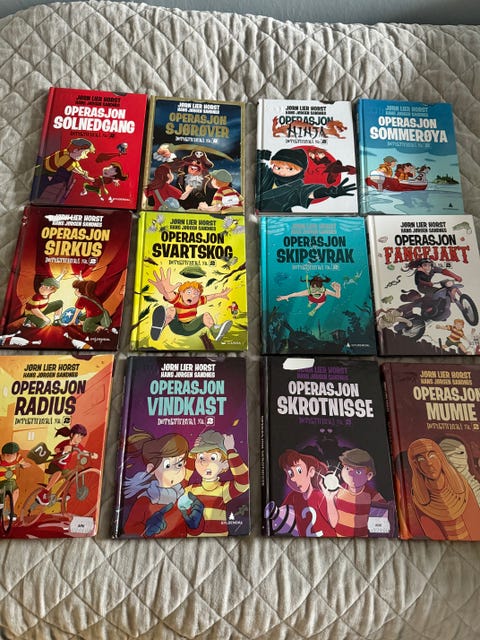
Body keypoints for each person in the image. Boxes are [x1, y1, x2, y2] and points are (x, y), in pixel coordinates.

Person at [123, 431, 204, 537]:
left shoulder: (183, 494)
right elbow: (129, 531)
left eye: (179, 465)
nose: (176, 471)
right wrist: (147, 530)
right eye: (167, 466)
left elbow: (194, 532)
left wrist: (197, 521)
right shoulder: (145, 501)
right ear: (151, 469)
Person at [407, 438, 480, 540]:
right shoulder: (418, 497)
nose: (429, 463)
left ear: (440, 457)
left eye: (432, 456)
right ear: (415, 464)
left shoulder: (461, 485)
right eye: (421, 459)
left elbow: (475, 521)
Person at [185, 430, 249, 536]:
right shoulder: (191, 489)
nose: (204, 463)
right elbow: (182, 480)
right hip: (191, 538)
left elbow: (244, 481)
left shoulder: (223, 489)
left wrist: (231, 451)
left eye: (213, 458)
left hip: (219, 536)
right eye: (201, 457)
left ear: (225, 464)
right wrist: (192, 455)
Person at [256, 147, 356, 212]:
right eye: (278, 167)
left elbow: (309, 192)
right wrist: (259, 155)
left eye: (290, 169)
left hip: (277, 221)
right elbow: (257, 166)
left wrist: (327, 192)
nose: (282, 172)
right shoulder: (267, 175)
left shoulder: (296, 189)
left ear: (301, 171)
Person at [149, 267, 232, 342]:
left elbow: (210, 297)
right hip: (177, 326)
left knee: (206, 315)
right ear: (181, 293)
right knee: (171, 310)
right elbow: (169, 295)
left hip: (191, 327)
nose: (192, 296)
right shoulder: (178, 299)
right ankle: (159, 327)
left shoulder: (197, 301)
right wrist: (164, 291)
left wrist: (220, 295)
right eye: (189, 292)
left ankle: (215, 332)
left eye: (196, 294)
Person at [323, 448, 388, 537]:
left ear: (369, 475)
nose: (350, 473)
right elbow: (333, 523)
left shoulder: (372, 495)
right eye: (347, 468)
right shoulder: (337, 491)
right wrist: (329, 500)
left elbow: (382, 520)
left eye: (358, 471)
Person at [274, 449, 335, 537]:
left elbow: (333, 522)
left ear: (311, 472)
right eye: (290, 473)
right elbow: (282, 513)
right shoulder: (293, 497)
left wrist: (330, 501)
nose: (293, 478)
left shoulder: (319, 496)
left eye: (299, 470)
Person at [35, 423, 98, 506]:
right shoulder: (66, 443)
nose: (79, 439)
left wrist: (91, 454)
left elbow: (83, 451)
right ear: (72, 435)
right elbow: (56, 449)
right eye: (78, 436)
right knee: (58, 473)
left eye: (81, 437)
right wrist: (63, 449)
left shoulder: (77, 446)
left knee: (71, 477)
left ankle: (63, 494)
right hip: (55, 464)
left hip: (64, 467)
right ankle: (43, 493)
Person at [34, 137, 95, 203]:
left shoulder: (71, 156)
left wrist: (83, 171)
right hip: (44, 171)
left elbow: (77, 165)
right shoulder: (65, 157)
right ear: (76, 150)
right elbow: (72, 168)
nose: (85, 156)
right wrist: (82, 174)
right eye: (85, 153)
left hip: (50, 172)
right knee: (40, 186)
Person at [276, 274, 341, 316]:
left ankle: (314, 309)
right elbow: (296, 294)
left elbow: (337, 296)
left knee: (320, 304)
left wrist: (338, 290)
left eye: (319, 289)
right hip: (311, 299)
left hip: (321, 301)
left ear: (322, 288)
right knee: (310, 301)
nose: (316, 292)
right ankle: (310, 303)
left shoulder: (326, 291)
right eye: (314, 290)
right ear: (311, 288)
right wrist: (286, 296)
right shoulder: (308, 291)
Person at [0, 442, 30, 520]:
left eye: (13, 455)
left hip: (11, 479)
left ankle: (12, 511)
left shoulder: (18, 457)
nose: (10, 458)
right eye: (8, 455)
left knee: (16, 491)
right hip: (1, 480)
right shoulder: (0, 459)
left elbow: (24, 463)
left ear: (16, 454)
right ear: (3, 455)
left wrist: (25, 465)